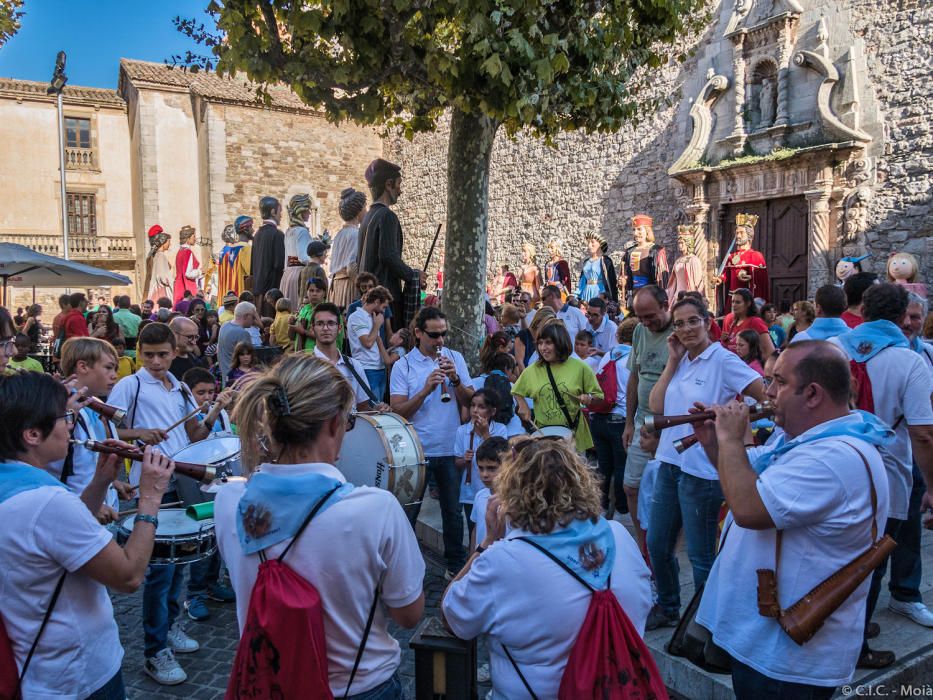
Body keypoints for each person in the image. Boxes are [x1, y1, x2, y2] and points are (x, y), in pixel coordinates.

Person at [215, 354, 425, 697]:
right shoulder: (377, 509)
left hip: (272, 686)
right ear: (332, 424)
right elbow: (409, 614)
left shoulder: (228, 502)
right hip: (361, 687)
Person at [693, 342, 893, 698]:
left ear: (813, 394)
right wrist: (715, 445)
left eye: (778, 382)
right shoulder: (800, 439)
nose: (766, 392)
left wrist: (730, 440)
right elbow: (745, 481)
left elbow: (748, 508)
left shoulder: (832, 456)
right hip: (766, 639)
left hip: (788, 658)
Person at [0, 371, 174, 700]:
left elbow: (56, 539)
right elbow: (129, 575)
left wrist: (100, 481)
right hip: (76, 675)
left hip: (35, 665)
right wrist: (150, 497)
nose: (71, 425)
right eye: (65, 416)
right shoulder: (48, 502)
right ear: (33, 434)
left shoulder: (16, 485)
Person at [442, 438, 652, 699]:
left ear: (512, 492)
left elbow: (453, 617)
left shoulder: (502, 560)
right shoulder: (619, 536)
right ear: (582, 482)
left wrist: (486, 543)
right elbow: (644, 602)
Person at [645, 295, 765, 630]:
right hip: (670, 463)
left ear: (707, 321)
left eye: (692, 321)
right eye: (679, 323)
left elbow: (763, 395)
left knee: (700, 556)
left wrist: (735, 422)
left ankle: (708, 621)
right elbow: (657, 407)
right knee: (657, 543)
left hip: (702, 470)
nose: (686, 329)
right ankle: (669, 607)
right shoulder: (681, 359)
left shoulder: (723, 360)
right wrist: (672, 361)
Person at [830, 283, 933, 668]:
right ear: (900, 315)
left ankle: (844, 629)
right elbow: (923, 433)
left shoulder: (834, 348)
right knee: (871, 560)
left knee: (841, 553)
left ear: (863, 309)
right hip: (884, 472)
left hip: (836, 465)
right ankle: (854, 646)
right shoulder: (909, 361)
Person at [108, 322, 214, 685]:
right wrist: (138, 433)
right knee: (158, 572)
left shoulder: (182, 387)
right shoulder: (130, 385)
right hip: (152, 486)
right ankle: (155, 651)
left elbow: (195, 433)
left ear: (175, 352)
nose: (156, 362)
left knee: (180, 562)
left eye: (163, 355)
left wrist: (214, 411)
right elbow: (105, 431)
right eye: (149, 355)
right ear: (139, 352)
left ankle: (170, 627)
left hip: (182, 483)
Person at [390, 306, 474, 576]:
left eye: (444, 334)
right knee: (408, 513)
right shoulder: (403, 365)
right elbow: (397, 411)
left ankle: (455, 566)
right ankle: (403, 568)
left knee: (452, 513)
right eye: (434, 335)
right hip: (416, 451)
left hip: (450, 448)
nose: (440, 341)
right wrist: (426, 389)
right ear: (418, 333)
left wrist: (456, 380)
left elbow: (471, 401)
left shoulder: (455, 358)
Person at [54, 338, 135, 523]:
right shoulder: (60, 409)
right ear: (83, 367)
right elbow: (49, 473)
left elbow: (87, 463)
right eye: (108, 368)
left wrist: (112, 483)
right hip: (73, 517)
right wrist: (86, 505)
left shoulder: (96, 404)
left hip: (101, 512)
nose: (114, 375)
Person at [621, 285, 673, 549]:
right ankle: (644, 546)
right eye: (640, 317)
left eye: (650, 316)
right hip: (643, 422)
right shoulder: (640, 331)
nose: (645, 323)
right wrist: (629, 422)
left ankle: (664, 543)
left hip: (672, 424)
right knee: (631, 486)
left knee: (667, 490)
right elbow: (634, 377)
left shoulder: (680, 331)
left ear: (666, 305)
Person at [513, 320, 603, 451]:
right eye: (540, 343)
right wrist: (522, 405)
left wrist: (589, 399)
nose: (543, 348)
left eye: (548, 342)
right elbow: (516, 390)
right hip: (543, 436)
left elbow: (599, 397)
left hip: (573, 436)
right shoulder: (533, 370)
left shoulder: (580, 367)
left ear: (560, 343)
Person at [358, 158, 426, 328]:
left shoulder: (367, 217)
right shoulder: (387, 216)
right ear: (389, 184)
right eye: (399, 184)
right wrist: (413, 274)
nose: (400, 191)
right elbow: (388, 255)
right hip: (384, 301)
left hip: (367, 298)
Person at [589, 318, 636, 514]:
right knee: (621, 467)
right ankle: (622, 510)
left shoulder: (607, 356)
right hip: (620, 421)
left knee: (603, 466)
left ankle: (600, 507)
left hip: (599, 418)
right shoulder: (633, 359)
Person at [454, 389, 509, 534]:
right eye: (472, 406)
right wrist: (463, 460)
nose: (475, 410)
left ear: (492, 411)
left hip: (494, 491)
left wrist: (485, 434)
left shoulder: (500, 429)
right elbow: (457, 462)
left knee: (494, 527)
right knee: (476, 528)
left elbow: (501, 457)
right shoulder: (462, 431)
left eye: (481, 407)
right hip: (470, 492)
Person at [311, 302, 380, 411]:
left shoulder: (354, 366)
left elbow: (363, 408)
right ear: (312, 328)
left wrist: (378, 411)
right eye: (320, 324)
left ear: (339, 329)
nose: (325, 328)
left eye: (331, 323)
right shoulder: (305, 367)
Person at [347, 286, 394, 401]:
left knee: (379, 409)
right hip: (367, 369)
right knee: (373, 410)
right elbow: (367, 343)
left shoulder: (373, 317)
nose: (384, 311)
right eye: (383, 307)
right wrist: (377, 325)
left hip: (380, 369)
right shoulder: (357, 317)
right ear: (377, 302)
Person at [467, 436, 510, 550]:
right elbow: (476, 530)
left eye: (492, 469)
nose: (484, 474)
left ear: (508, 466)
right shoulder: (480, 496)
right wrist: (472, 557)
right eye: (481, 468)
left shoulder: (513, 502)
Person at [330, 187, 367, 310]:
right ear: (358, 210)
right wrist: (363, 288)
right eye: (364, 207)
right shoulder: (355, 234)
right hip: (348, 287)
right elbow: (351, 268)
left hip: (336, 286)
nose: (366, 211)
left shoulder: (340, 234)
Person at [251, 196, 286, 318]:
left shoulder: (257, 235)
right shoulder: (277, 234)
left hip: (257, 290)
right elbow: (279, 264)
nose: (281, 215)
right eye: (279, 212)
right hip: (272, 292)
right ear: (273, 211)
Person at [623, 214, 668, 300]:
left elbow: (661, 279)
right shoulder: (629, 252)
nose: (635, 233)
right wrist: (623, 280)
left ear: (647, 231)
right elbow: (625, 273)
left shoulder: (656, 251)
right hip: (633, 295)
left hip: (650, 295)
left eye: (639, 229)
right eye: (634, 230)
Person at [281, 193, 314, 310]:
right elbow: (303, 257)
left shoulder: (289, 231)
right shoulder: (302, 231)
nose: (310, 213)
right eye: (307, 210)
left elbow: (286, 258)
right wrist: (316, 260)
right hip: (299, 273)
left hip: (288, 273)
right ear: (301, 211)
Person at [721, 288, 775, 357]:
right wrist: (722, 340)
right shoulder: (728, 319)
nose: (734, 305)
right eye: (732, 302)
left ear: (748, 303)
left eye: (738, 302)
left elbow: (769, 351)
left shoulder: (756, 322)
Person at [217, 216, 255, 302]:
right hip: (242, 298)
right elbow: (251, 274)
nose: (253, 230)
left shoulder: (228, 251)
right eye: (251, 227)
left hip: (229, 299)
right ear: (245, 229)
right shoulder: (246, 249)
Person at [218, 302, 255, 384]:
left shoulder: (224, 326)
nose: (254, 320)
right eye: (253, 317)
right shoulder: (242, 333)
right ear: (246, 316)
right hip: (239, 380)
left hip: (226, 378)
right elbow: (249, 360)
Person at [292, 277, 332, 353]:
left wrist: (303, 331)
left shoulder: (328, 310)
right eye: (311, 290)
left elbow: (327, 337)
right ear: (307, 292)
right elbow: (292, 336)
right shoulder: (304, 309)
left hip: (320, 355)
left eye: (318, 291)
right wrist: (292, 323)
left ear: (324, 293)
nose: (314, 294)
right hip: (302, 355)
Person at [578, 233, 618, 302]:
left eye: (592, 242)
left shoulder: (606, 261)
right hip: (586, 293)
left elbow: (611, 281)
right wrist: (577, 295)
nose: (589, 245)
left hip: (599, 293)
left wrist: (610, 297)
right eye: (588, 243)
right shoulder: (586, 262)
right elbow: (582, 282)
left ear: (600, 244)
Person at [513, 306, 555, 372]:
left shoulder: (547, 337)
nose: (549, 327)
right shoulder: (523, 336)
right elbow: (520, 364)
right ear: (538, 321)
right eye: (547, 324)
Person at [173, 226, 203, 305]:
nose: (195, 239)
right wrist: (199, 272)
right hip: (187, 286)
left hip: (179, 285)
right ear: (188, 238)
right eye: (193, 236)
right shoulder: (187, 252)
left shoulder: (179, 252)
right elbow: (188, 273)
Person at [168, 316, 205, 381]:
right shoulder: (165, 363)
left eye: (196, 337)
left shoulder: (196, 361)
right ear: (174, 335)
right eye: (190, 337)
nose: (194, 342)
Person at [144, 225, 174, 304]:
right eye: (168, 242)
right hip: (160, 290)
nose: (170, 244)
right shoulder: (160, 256)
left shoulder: (154, 256)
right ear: (163, 242)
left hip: (155, 288)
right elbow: (162, 277)